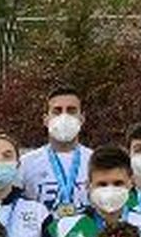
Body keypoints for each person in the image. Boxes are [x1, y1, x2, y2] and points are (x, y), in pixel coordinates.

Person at [19, 86, 93, 215]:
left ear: (82, 118)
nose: (64, 116)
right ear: (46, 120)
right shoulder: (25, 164)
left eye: (71, 111)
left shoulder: (96, 160)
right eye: (57, 111)